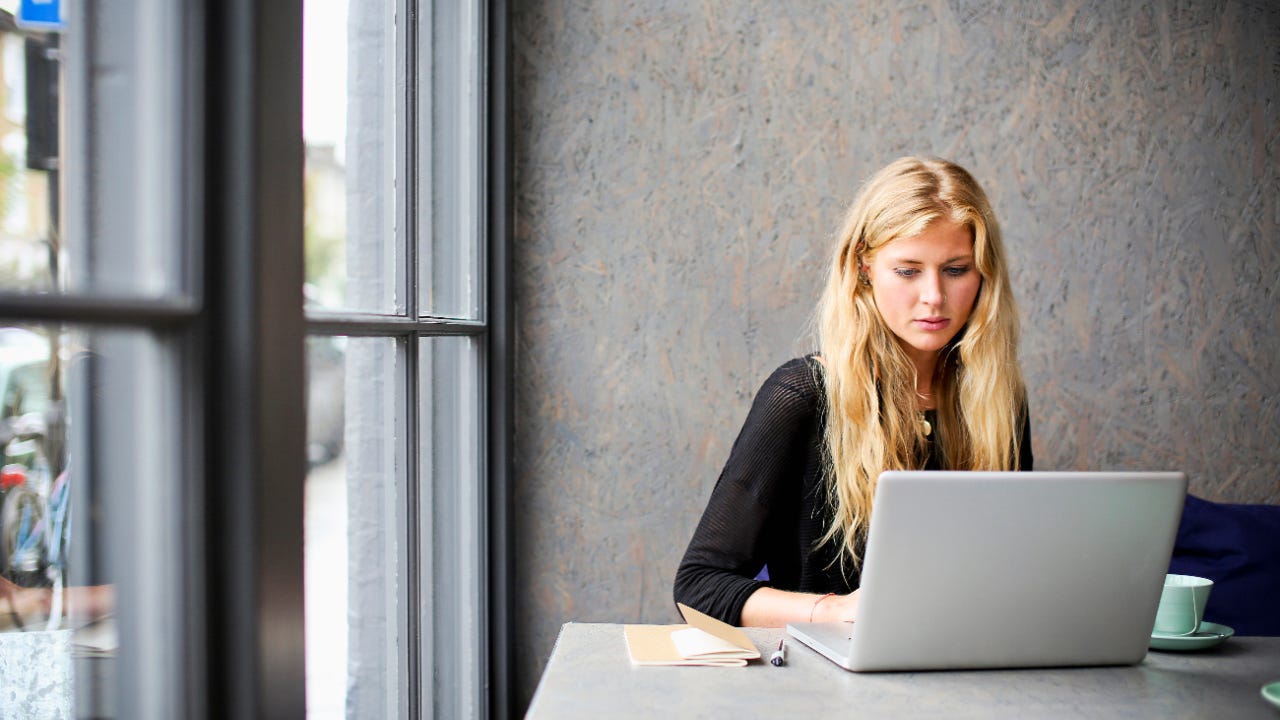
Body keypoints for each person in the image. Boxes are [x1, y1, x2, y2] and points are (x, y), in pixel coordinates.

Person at [673, 156, 1033, 627]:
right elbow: (699, 587)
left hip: (965, 678)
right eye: (907, 271)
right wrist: (835, 609)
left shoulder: (999, 401)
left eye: (956, 269)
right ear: (864, 267)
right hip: (826, 690)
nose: (934, 297)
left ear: (984, 273)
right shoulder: (801, 396)